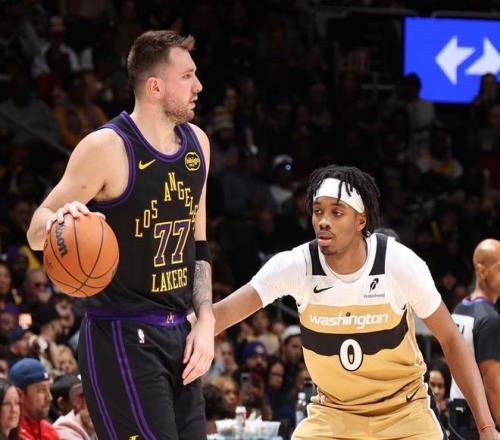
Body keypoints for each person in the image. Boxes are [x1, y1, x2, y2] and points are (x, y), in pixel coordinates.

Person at [203, 165, 499, 439]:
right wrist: (184, 329)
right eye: (318, 211)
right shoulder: (297, 265)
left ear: (361, 220)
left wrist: (486, 426)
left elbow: (451, 339)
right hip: (332, 414)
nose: (324, 221)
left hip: (404, 414)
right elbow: (222, 313)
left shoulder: (398, 264)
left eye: (337, 212)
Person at [26, 30, 214, 439]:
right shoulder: (107, 147)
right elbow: (36, 229)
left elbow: (198, 247)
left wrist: (206, 321)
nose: (198, 85)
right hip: (121, 336)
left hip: (179, 334)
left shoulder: (198, 144)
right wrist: (60, 221)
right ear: (155, 87)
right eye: (187, 76)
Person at [450, 239, 500, 437]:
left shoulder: (460, 308)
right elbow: (491, 381)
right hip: (479, 420)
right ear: (481, 271)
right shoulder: (489, 319)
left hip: (456, 413)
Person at [9, 358, 59, 440]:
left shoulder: (49, 431)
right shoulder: (10, 433)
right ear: (20, 395)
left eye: (49, 388)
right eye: (41, 390)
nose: (50, 398)